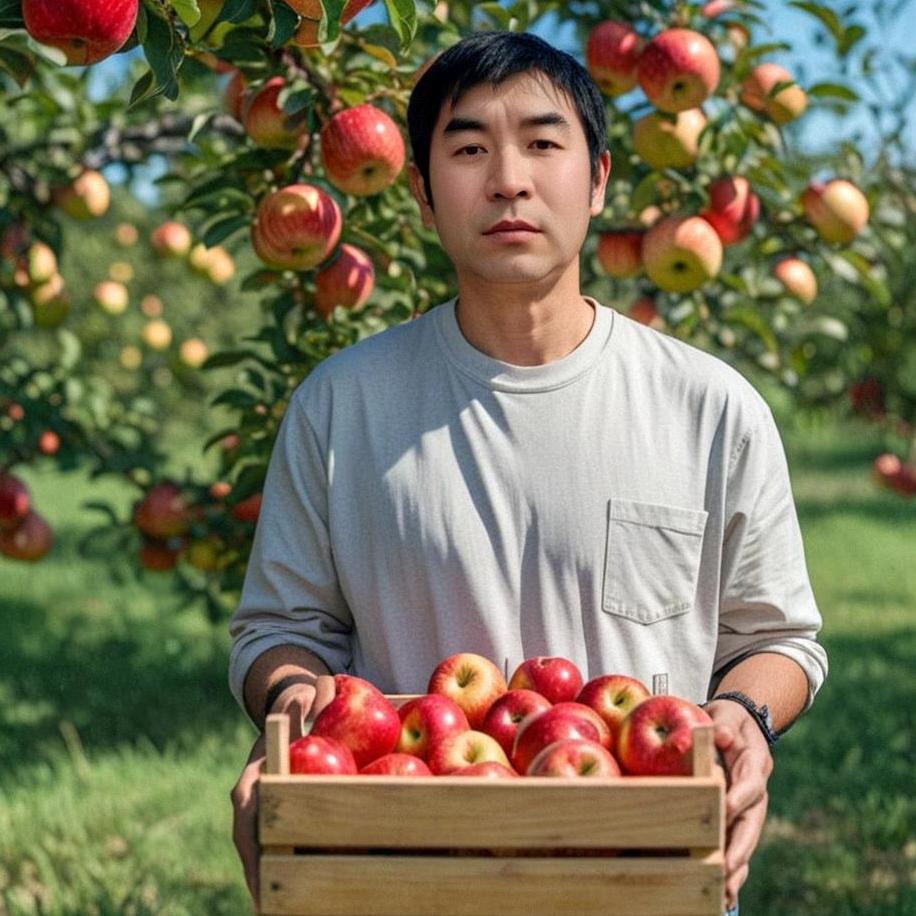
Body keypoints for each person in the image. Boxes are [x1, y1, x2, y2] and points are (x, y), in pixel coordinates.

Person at [229, 30, 828, 915]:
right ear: (426, 198)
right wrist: (292, 706)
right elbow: (278, 631)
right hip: (401, 869)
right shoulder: (341, 405)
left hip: (644, 866)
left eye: (544, 143)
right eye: (469, 149)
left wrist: (748, 715)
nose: (508, 178)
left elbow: (780, 638)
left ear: (597, 180)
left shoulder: (711, 407)